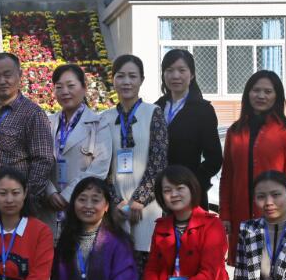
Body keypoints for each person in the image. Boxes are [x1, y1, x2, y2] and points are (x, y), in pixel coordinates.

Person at [220, 70, 286, 264]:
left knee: (272, 270)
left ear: (277, 96)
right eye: (256, 90)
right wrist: (225, 214)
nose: (261, 96)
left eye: (268, 91)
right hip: (241, 214)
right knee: (245, 271)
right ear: (248, 94)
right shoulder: (235, 131)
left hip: (275, 214)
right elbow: (227, 176)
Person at [100, 55, 169, 259]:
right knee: (117, 261)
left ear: (141, 80)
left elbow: (159, 160)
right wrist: (115, 201)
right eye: (120, 76)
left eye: (132, 76)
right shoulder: (104, 118)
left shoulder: (154, 112)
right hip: (115, 206)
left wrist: (139, 199)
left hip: (148, 205)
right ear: (113, 79)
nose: (126, 82)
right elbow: (102, 165)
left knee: (146, 259)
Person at [0, 53, 55, 218]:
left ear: (20, 75)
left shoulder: (33, 114)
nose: (2, 81)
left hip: (14, 206)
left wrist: (26, 199)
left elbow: (43, 160)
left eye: (7, 75)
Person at [40, 64, 113, 239]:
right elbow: (37, 161)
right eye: (59, 87)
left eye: (71, 86)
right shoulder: (46, 123)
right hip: (48, 208)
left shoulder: (98, 124)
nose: (65, 92)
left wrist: (67, 195)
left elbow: (99, 168)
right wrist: (50, 192)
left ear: (84, 87)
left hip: (81, 207)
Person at [153, 49, 222, 208]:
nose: (175, 76)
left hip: (190, 195)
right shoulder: (156, 108)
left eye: (182, 70)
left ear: (192, 75)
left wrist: (192, 183)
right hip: (158, 194)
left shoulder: (203, 110)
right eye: (169, 70)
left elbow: (214, 158)